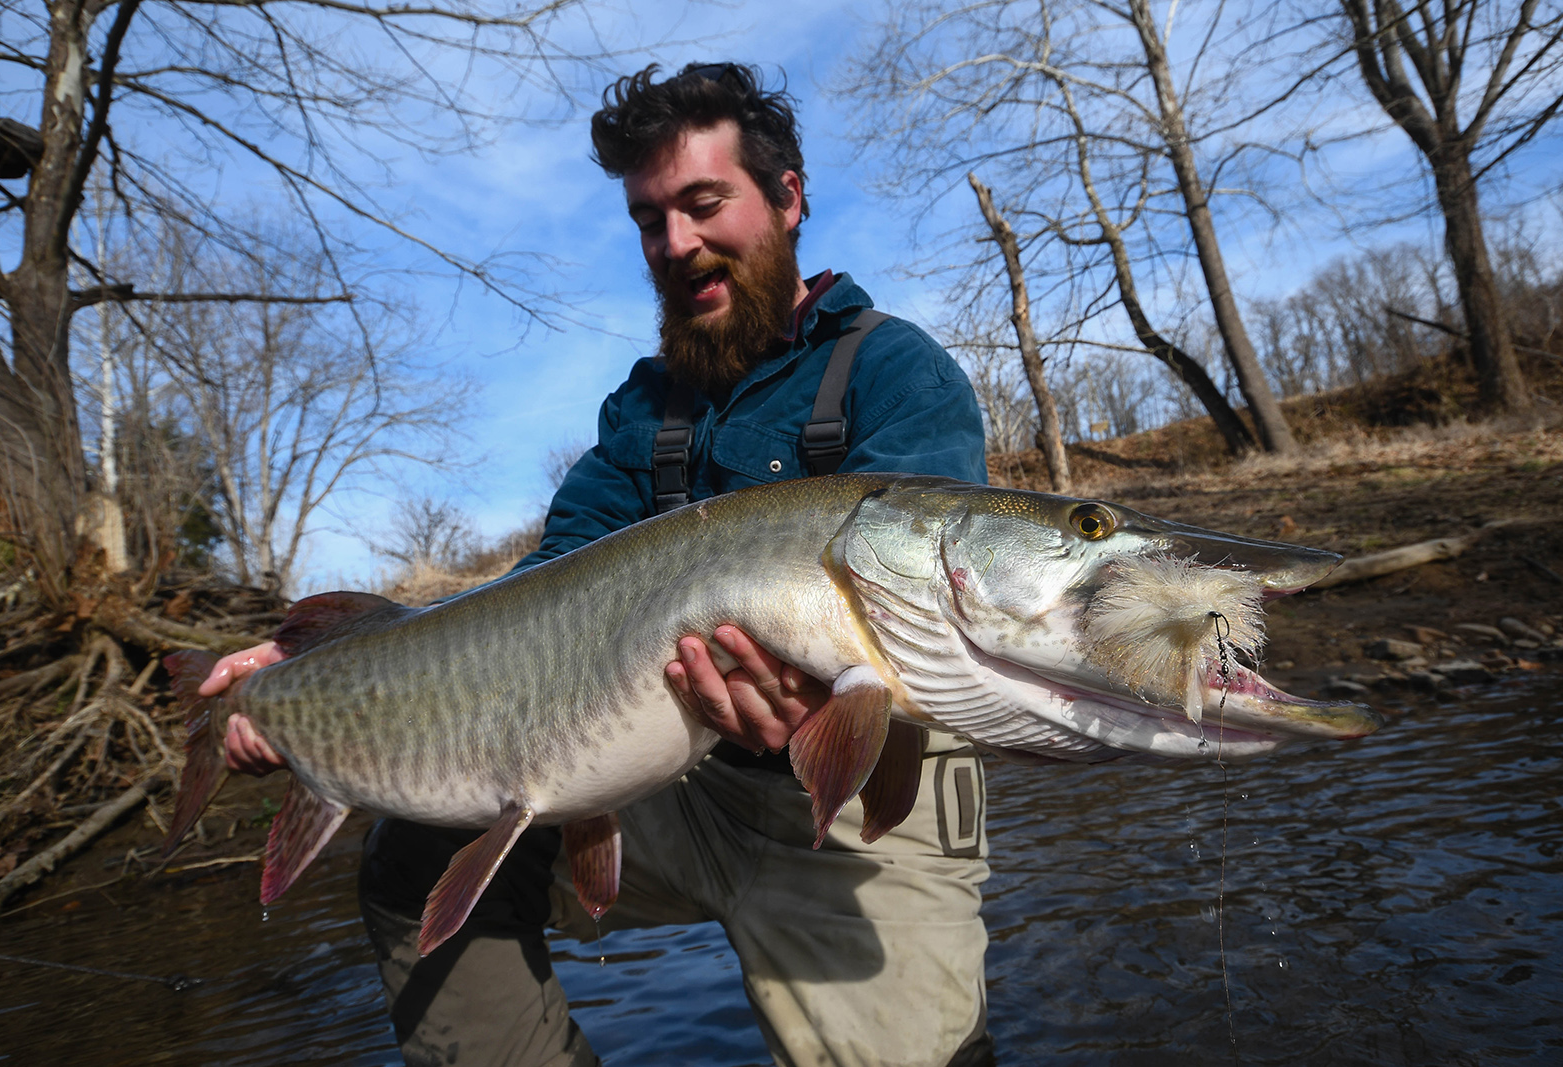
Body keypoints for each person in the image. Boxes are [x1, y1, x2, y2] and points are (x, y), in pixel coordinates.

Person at [204, 63, 995, 1067]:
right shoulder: (639, 414)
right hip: (673, 777)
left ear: (789, 196)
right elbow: (548, 589)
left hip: (858, 817)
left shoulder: (894, 371)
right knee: (412, 848)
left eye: (705, 205)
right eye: (649, 220)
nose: (677, 246)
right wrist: (328, 665)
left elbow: (940, 595)